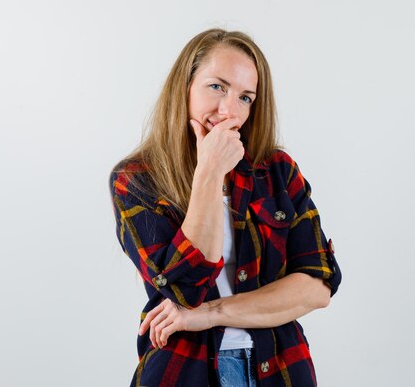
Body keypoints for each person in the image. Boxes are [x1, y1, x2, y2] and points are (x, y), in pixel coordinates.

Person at [108, 28, 342, 387]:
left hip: (280, 368)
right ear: (184, 86)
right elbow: (185, 289)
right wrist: (210, 172)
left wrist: (212, 313)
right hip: (185, 370)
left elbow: (317, 286)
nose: (229, 110)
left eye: (246, 98)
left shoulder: (278, 171)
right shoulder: (136, 180)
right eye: (217, 87)